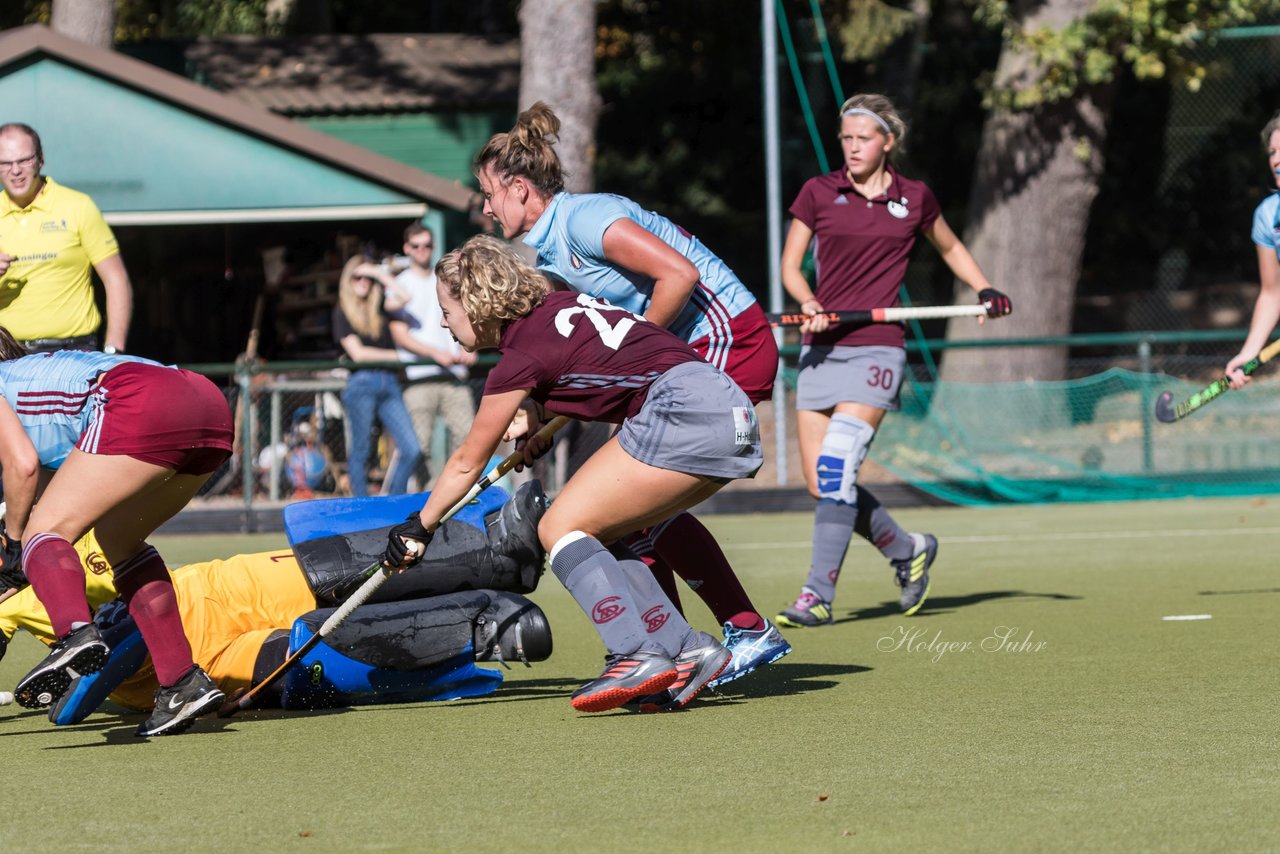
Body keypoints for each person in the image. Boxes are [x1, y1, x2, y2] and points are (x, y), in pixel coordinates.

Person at [471, 103, 789, 688]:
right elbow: (592, 355)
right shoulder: (549, 254)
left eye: (489, 193)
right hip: (681, 361)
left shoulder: (588, 219)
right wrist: (543, 414)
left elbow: (680, 277)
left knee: (633, 514)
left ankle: (733, 633)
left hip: (726, 343)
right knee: (624, 518)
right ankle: (670, 648)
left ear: (520, 188)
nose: (485, 207)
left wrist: (639, 349)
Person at [383, 236, 763, 713]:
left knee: (558, 526)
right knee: (600, 528)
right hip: (726, 409)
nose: (443, 321)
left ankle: (634, 652)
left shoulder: (518, 359)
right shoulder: (561, 305)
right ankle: (688, 649)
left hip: (684, 412)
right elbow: (590, 366)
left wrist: (420, 527)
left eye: (447, 308)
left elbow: (466, 461)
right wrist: (537, 412)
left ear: (476, 304)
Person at [0, 482, 552, 723]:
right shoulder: (9, 608)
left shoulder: (67, 533)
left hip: (224, 594)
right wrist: (71, 703)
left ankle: (498, 550)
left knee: (342, 571)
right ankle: (480, 627)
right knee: (308, 663)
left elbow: (125, 630)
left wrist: (73, 702)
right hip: (208, 666)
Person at [774, 93, 1012, 628]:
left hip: (878, 345)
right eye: (846, 139)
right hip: (823, 346)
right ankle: (907, 550)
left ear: (888, 142)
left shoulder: (915, 198)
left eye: (863, 138)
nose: (852, 148)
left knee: (837, 468)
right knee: (823, 484)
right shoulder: (818, 192)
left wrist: (983, 288)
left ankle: (816, 595)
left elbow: (949, 247)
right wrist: (808, 302)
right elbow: (791, 266)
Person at [0, 326, 233, 736]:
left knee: (42, 533)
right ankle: (181, 683)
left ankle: (73, 636)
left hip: (138, 400)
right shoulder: (35, 376)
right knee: (120, 542)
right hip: (207, 404)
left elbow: (23, 468)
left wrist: (15, 547)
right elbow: (57, 488)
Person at [0, 123, 131, 354]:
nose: (16, 170)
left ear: (41, 160)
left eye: (24, 160)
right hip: (7, 356)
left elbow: (116, 280)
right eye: (6, 163)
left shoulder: (78, 206)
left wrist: (114, 352)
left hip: (73, 353)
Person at [389, 222, 478, 482]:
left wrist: (468, 346)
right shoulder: (400, 285)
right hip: (420, 376)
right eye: (416, 246)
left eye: (427, 245)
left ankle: (459, 498)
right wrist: (435, 354)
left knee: (468, 438)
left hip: (454, 374)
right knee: (419, 448)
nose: (422, 250)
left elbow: (465, 316)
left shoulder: (447, 277)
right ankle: (424, 506)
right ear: (407, 248)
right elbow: (399, 335)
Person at [332, 254, 422, 497]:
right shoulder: (342, 311)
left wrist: (380, 274)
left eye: (367, 278)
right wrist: (397, 356)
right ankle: (362, 506)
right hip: (361, 382)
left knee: (411, 448)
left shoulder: (379, 305)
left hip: (389, 381)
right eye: (357, 277)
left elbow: (405, 297)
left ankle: (394, 500)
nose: (363, 281)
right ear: (347, 280)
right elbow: (358, 354)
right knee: (361, 451)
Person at [1226, 111, 1280, 390]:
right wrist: (1249, 351)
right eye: (1272, 152)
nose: (1277, 160)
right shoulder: (1268, 216)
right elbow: (1273, 292)